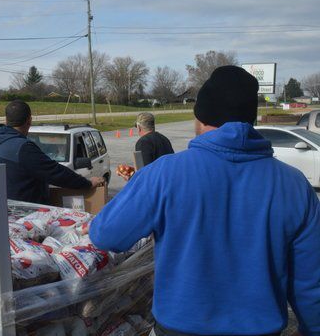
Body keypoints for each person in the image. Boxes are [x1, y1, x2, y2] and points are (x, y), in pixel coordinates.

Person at [89, 66, 320, 335]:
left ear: (200, 117)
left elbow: (106, 235)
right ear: (251, 120)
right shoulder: (294, 185)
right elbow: (310, 282)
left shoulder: (164, 174)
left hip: (178, 328)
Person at [0, 100, 105, 204]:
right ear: (29, 120)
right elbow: (56, 173)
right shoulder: (23, 148)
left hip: (6, 206)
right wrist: (88, 183)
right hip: (25, 212)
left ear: (6, 120)